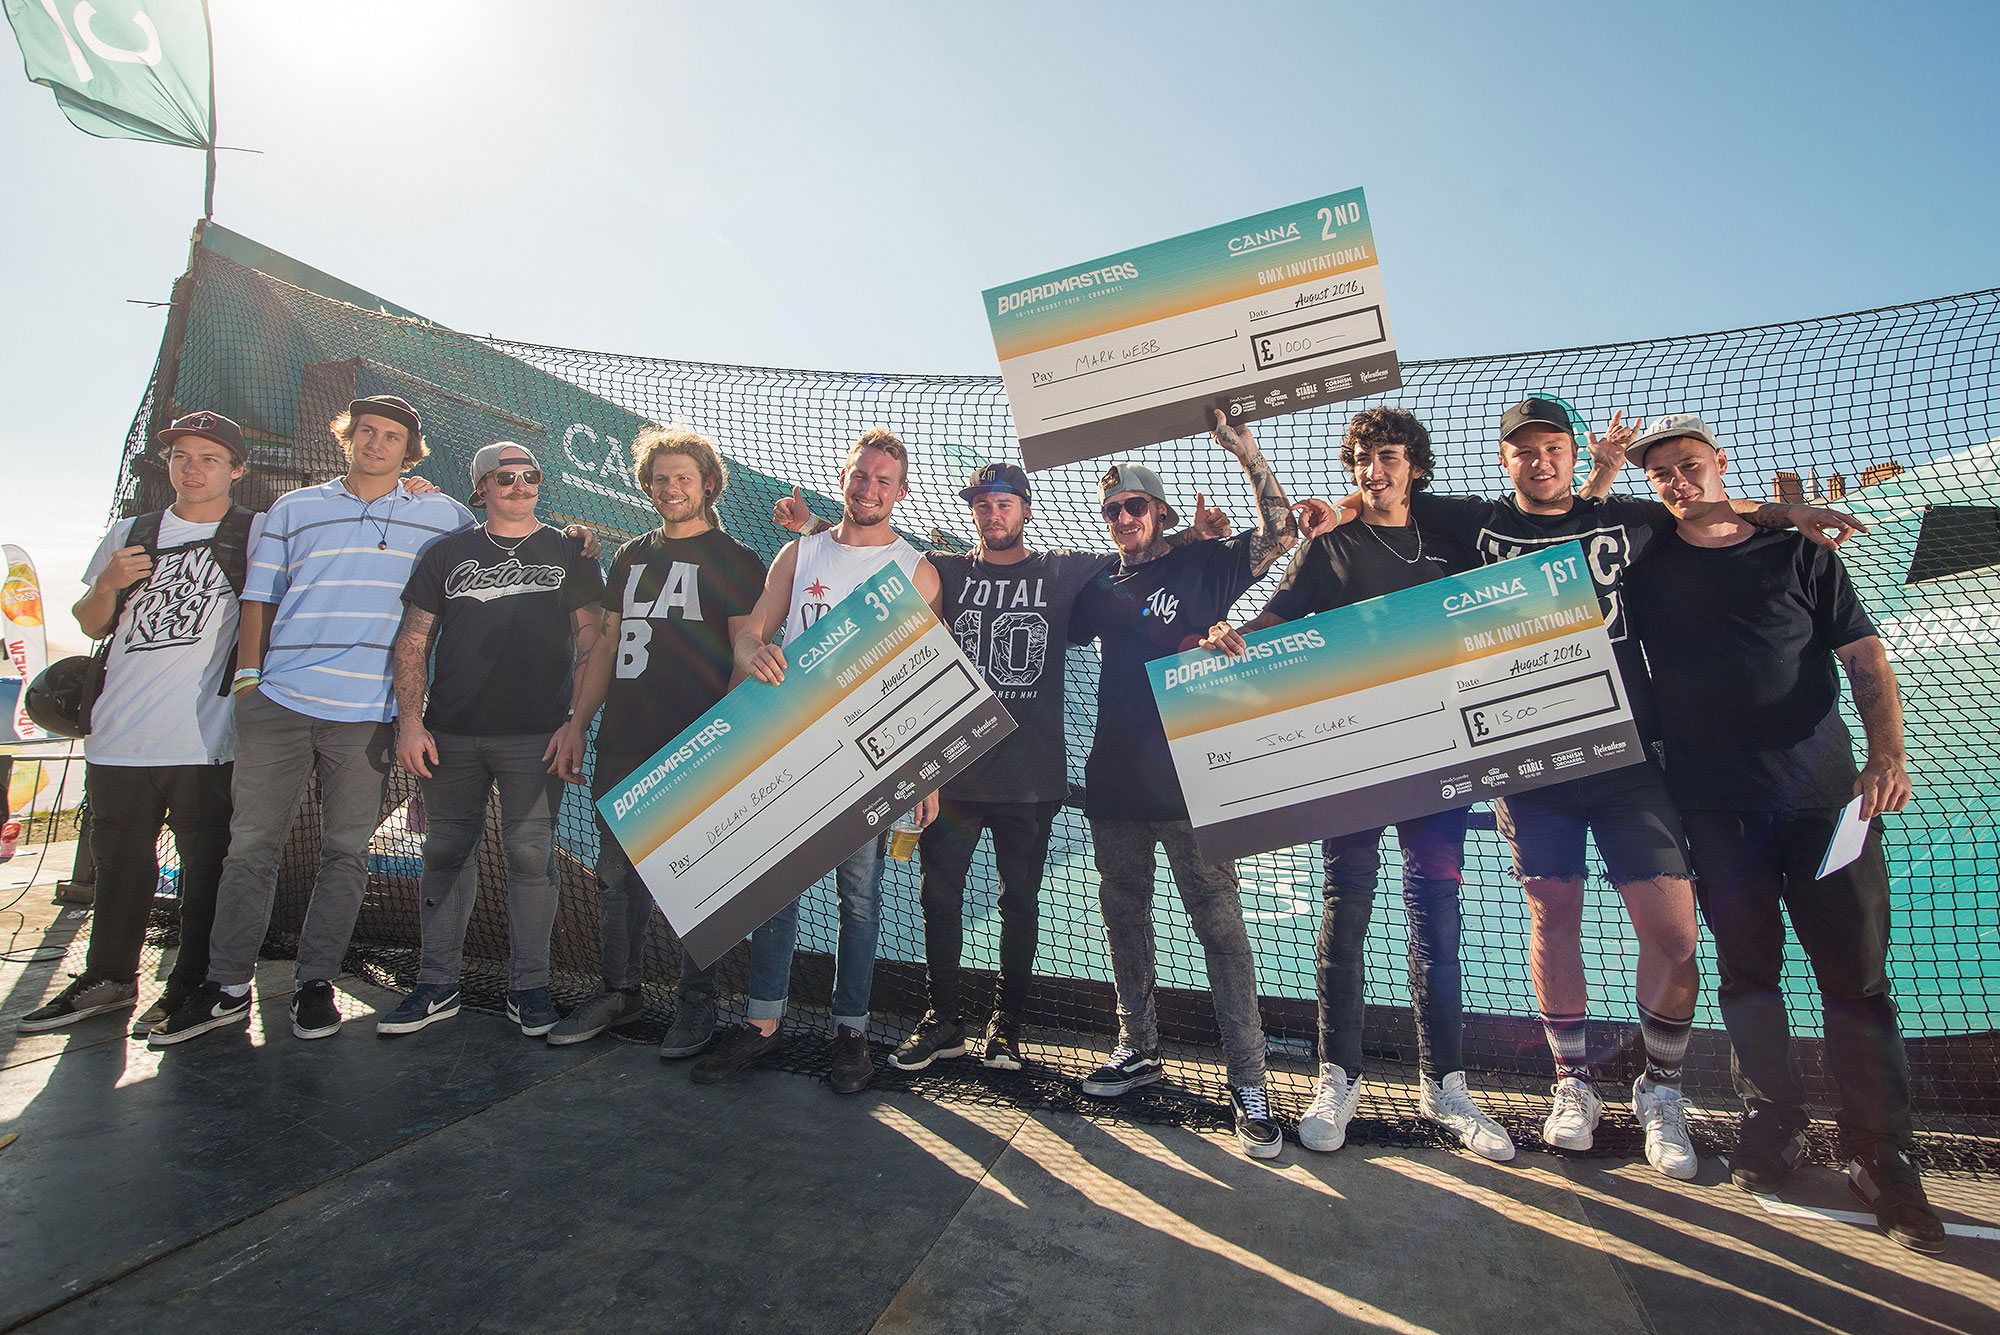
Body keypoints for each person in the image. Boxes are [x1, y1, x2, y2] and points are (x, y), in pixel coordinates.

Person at [1306, 396, 1857, 1178]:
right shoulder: (1475, 522)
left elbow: (1703, 506)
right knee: (1552, 912)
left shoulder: (1630, 519)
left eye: (1553, 447)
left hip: (1628, 757)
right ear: (1505, 459)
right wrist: (1333, 508)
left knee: (1674, 933)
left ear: (1573, 452)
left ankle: (1660, 1088)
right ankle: (1573, 1082)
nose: (1540, 461)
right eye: (1523, 450)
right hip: (1531, 760)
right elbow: (1383, 489)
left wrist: (1786, 511)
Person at [773, 464, 1236, 1074]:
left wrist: (1192, 538)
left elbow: (1136, 553)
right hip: (953, 770)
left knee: (1019, 903)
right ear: (973, 512)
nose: (994, 515)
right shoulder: (946, 570)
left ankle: (1007, 1027)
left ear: (1025, 509)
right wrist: (813, 526)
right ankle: (944, 1020)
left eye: (1005, 504)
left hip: (1031, 775)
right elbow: (874, 562)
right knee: (939, 898)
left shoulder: (1063, 570)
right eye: (983, 505)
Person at [1623, 414, 1944, 1254]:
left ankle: (1881, 1151)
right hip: (1714, 809)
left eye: (1690, 465)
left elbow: (1866, 658)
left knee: (1857, 981)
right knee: (1748, 976)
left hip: (1827, 807)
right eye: (1662, 473)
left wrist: (1886, 755)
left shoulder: (1802, 553)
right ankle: (1776, 1119)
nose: (1678, 481)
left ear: (1720, 462)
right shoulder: (1647, 562)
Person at [1200, 408, 1513, 1161]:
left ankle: (1444, 1085)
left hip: (1438, 754)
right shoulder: (1330, 545)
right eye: (1364, 459)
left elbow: (1503, 614)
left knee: (1437, 917)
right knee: (1345, 914)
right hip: (1355, 757)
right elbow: (1275, 620)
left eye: (1390, 456)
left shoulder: (1451, 542)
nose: (1375, 470)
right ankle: (1336, 1079)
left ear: (1415, 466)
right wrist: (1229, 634)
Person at [150, 395, 476, 1046]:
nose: (376, 443)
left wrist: (574, 544)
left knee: (345, 852)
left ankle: (315, 982)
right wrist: (249, 680)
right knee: (251, 848)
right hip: (279, 702)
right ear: (347, 437)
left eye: (391, 436)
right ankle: (227, 988)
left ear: (410, 453)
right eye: (365, 431)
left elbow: (494, 546)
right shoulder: (294, 508)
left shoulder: (444, 516)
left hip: (369, 713)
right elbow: (259, 597)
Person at [1067, 413, 1299, 1159]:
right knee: (1124, 919)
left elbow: (1282, 531)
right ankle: (1139, 1049)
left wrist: (1247, 452)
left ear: (1160, 511)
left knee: (1222, 931)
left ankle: (1250, 1083)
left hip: (1195, 783)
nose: (1123, 518)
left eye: (1135, 505)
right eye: (1112, 509)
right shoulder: (1100, 586)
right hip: (1114, 785)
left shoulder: (1206, 564)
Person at [693, 427, 941, 1095]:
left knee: (859, 899)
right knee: (774, 892)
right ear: (844, 477)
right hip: (789, 747)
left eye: (883, 480)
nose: (869, 488)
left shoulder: (916, 571)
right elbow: (751, 633)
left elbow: (926, 676)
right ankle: (762, 1024)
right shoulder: (799, 552)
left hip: (866, 758)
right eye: (861, 475)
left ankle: (850, 1031)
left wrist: (926, 770)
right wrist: (753, 652)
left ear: (901, 492)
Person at [19, 412, 262, 1034]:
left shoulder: (255, 532)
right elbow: (91, 622)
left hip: (205, 738)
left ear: (236, 469)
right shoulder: (132, 532)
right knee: (120, 866)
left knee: (205, 872)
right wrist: (107, 583)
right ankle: (108, 979)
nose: (193, 469)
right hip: (117, 734)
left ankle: (191, 985)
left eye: (209, 458)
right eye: (182, 457)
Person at [544, 425, 766, 1057]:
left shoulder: (736, 559)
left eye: (683, 478)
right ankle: (620, 992)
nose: (671, 488)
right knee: (617, 874)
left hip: (698, 741)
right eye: (660, 478)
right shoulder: (630, 557)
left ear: (708, 485)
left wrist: (726, 737)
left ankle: (698, 1003)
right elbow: (608, 645)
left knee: (701, 877)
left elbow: (745, 651)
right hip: (625, 739)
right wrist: (578, 723)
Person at [375, 442, 606, 1038]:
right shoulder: (446, 553)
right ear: (481, 487)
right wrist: (410, 722)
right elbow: (413, 641)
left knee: (530, 857)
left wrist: (576, 722)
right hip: (451, 733)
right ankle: (436, 984)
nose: (520, 485)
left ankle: (530, 989)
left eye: (531, 475)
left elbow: (593, 641)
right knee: (446, 852)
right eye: (506, 477)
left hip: (537, 735)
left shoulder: (571, 551)